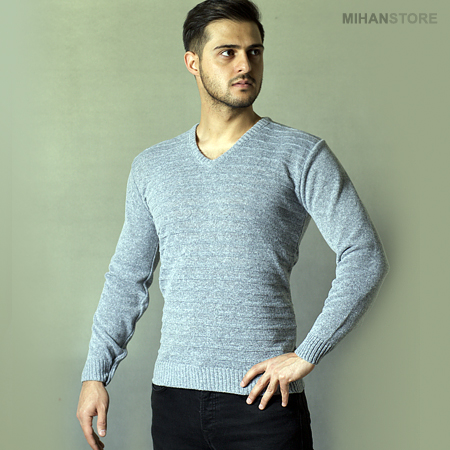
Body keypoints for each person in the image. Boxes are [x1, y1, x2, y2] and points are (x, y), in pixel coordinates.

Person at [76, 1, 389, 449]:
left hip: (264, 405)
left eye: (254, 52)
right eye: (227, 52)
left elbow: (365, 256)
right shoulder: (152, 167)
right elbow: (127, 278)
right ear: (193, 62)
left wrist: (307, 354)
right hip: (173, 401)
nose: (245, 65)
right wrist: (95, 374)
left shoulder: (301, 155)